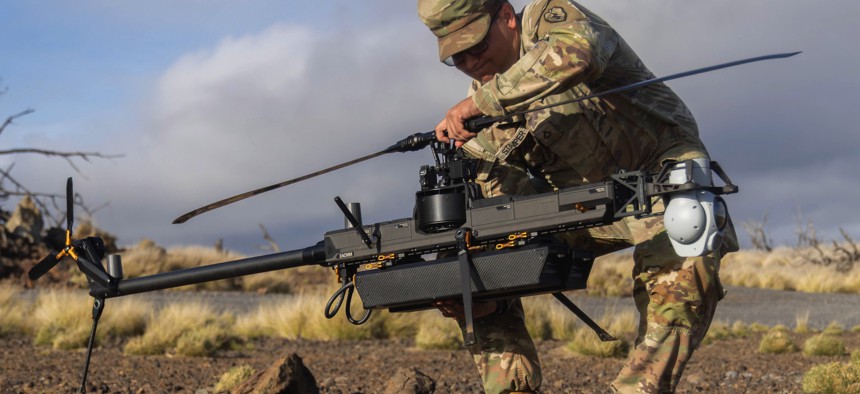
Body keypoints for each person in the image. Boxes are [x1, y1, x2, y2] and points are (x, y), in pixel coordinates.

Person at [418, 0, 739, 392]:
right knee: (470, 259)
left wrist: (484, 103)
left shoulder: (548, 18)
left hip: (657, 178)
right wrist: (484, 294)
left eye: (476, 46)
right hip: (577, 208)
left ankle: (639, 388)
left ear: (505, 17)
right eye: (457, 57)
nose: (469, 62)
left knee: (690, 231)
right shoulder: (478, 119)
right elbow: (496, 203)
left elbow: (578, 51)